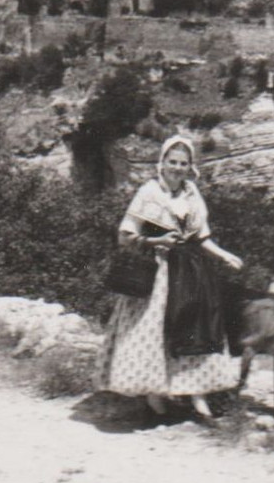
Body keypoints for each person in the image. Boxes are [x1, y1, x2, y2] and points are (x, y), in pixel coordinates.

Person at [99, 135, 245, 422]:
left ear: (190, 166)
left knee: (195, 326)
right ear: (162, 164)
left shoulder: (191, 194)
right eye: (172, 162)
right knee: (153, 330)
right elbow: (125, 234)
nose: (177, 168)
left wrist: (224, 255)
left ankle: (197, 396)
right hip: (157, 272)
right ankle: (155, 397)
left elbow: (201, 236)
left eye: (183, 163)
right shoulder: (149, 192)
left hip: (189, 271)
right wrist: (157, 241)